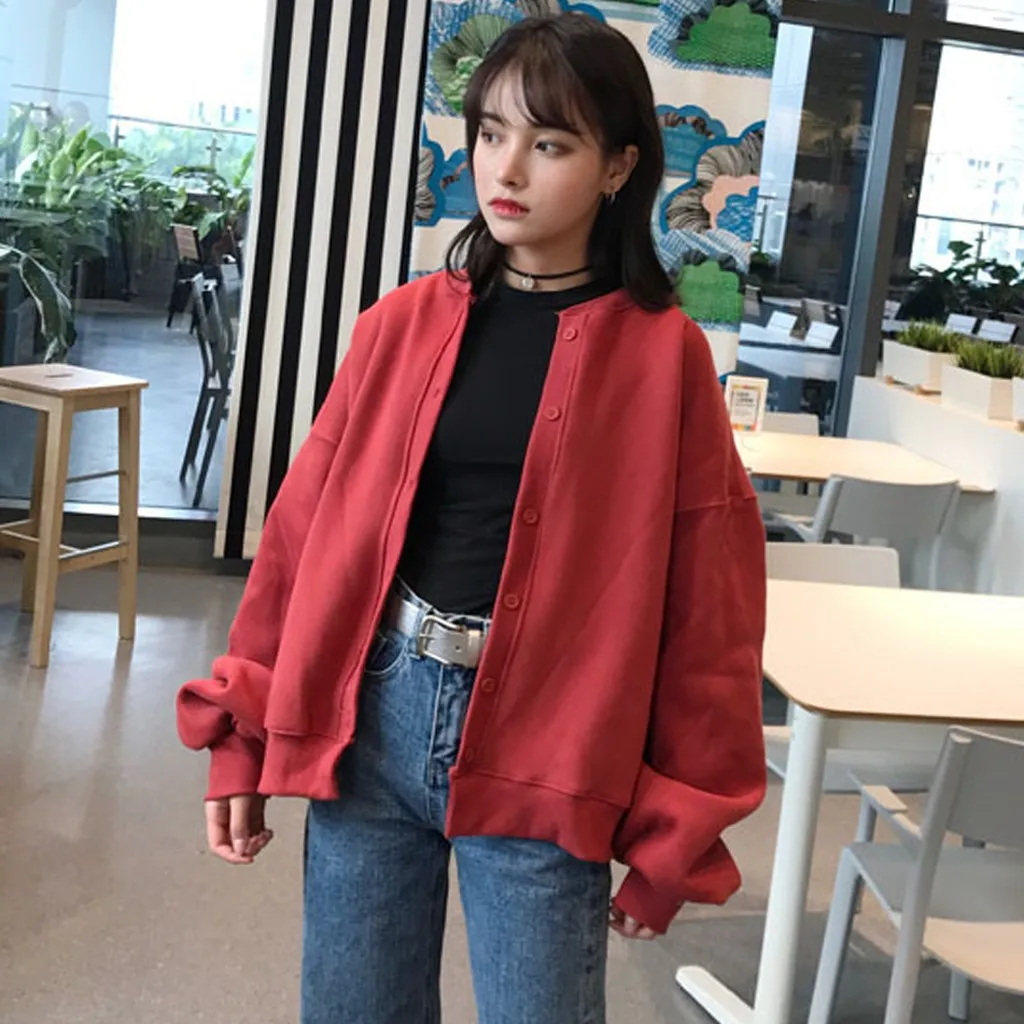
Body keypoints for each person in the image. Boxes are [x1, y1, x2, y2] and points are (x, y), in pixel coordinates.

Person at [177, 13, 767, 1024]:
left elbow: (708, 610)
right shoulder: (401, 326)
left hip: (554, 741)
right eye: (491, 133)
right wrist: (245, 726)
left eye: (551, 143)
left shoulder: (663, 357)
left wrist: (677, 832)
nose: (508, 168)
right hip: (376, 719)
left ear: (619, 166)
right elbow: (302, 540)